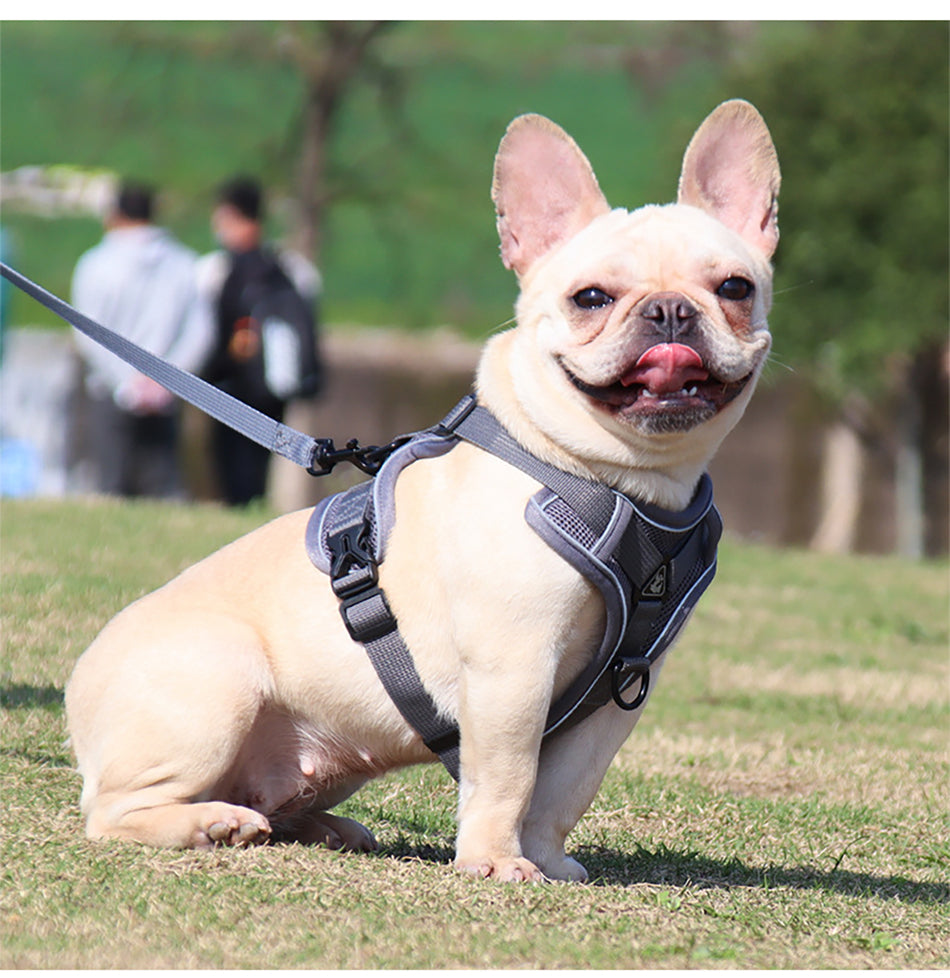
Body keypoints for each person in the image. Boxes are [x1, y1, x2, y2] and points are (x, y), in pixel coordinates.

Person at [70, 181, 213, 498]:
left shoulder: (95, 264)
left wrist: (128, 382)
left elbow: (86, 331)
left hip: (109, 388)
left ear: (115, 214)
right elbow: (199, 333)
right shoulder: (184, 263)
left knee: (109, 485)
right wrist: (164, 380)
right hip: (164, 392)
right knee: (163, 487)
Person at [197, 176, 322, 506]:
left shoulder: (216, 271)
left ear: (231, 216)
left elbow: (206, 334)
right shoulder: (291, 269)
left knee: (231, 466)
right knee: (259, 463)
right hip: (273, 382)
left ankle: (239, 510)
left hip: (229, 382)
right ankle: (251, 506)